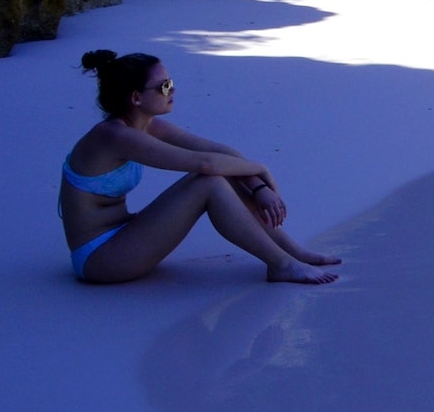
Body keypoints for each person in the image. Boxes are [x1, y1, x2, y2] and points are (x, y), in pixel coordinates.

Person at [60, 49, 340, 285]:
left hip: (125, 232)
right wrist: (261, 169)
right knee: (210, 180)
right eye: (164, 87)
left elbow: (218, 151)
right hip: (99, 257)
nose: (173, 91)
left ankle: (291, 251)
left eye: (171, 83)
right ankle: (281, 264)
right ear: (136, 98)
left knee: (221, 173)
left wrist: (258, 184)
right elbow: (205, 164)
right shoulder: (115, 136)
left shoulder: (148, 126)